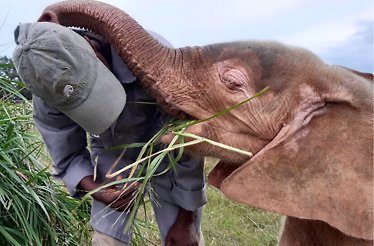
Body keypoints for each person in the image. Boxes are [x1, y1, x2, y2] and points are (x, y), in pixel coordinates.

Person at [13, 22, 206, 246]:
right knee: (105, 240)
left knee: (184, 239)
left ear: (91, 47)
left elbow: (187, 140)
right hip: (113, 156)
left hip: (167, 152)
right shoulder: (46, 87)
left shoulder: (151, 54)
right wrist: (98, 191)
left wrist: (186, 220)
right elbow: (66, 155)